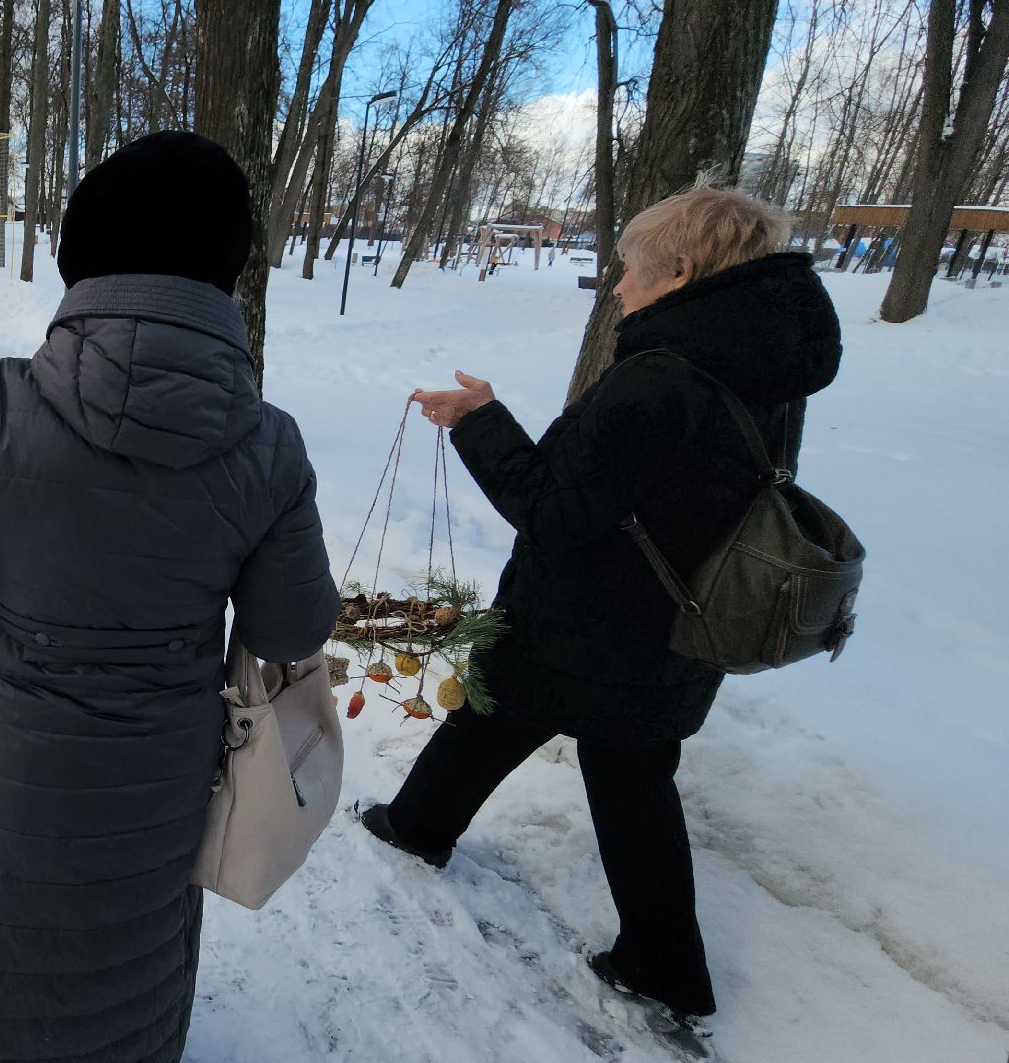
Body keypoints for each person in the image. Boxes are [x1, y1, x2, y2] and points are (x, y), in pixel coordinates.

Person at [0, 131, 338, 1063]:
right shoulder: (268, 443)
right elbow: (290, 627)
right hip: (162, 777)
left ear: (82, 259)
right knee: (128, 953)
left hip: (8, 767)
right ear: (226, 269)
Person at [358, 186, 843, 1022]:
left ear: (681, 273)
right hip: (681, 623)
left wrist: (479, 419)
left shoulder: (659, 378)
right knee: (624, 771)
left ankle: (417, 830)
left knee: (505, 714)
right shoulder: (765, 363)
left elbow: (551, 509)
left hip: (589, 621)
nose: (619, 287)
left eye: (630, 271)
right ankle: (662, 965)